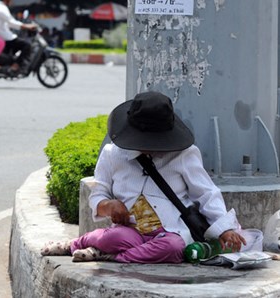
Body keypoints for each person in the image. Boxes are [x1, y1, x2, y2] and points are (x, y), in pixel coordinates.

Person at [41, 91, 250, 263]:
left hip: (169, 232)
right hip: (131, 230)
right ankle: (74, 245)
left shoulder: (185, 154)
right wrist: (109, 205)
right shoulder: (112, 154)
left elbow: (206, 193)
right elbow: (98, 194)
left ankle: (108, 256)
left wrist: (225, 228)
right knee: (114, 237)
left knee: (174, 249)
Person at [0, 0, 37, 74]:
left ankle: (10, 62)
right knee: (27, 45)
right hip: (2, 36)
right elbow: (12, 22)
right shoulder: (1, 9)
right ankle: (15, 66)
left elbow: (7, 23)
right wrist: (26, 26)